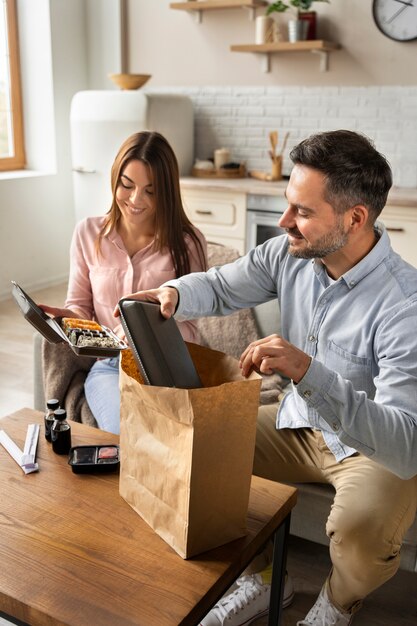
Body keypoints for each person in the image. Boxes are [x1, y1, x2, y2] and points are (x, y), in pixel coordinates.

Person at [115, 130, 417, 626]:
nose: (283, 222)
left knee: (360, 535)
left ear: (355, 218)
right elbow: (219, 285)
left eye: (302, 211)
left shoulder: (404, 304)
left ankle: (337, 605)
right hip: (298, 423)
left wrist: (306, 370)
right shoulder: (287, 256)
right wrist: (172, 292)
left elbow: (405, 444)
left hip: (370, 449)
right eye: (287, 204)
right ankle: (261, 579)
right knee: (195, 451)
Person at [41, 131, 207, 434]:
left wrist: (143, 333)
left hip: (166, 369)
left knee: (172, 434)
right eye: (127, 185)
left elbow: (191, 328)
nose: (134, 200)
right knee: (127, 434)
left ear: (167, 193)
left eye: (150, 191)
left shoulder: (188, 243)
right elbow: (81, 308)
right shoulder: (87, 233)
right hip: (110, 367)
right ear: (115, 180)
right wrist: (67, 318)